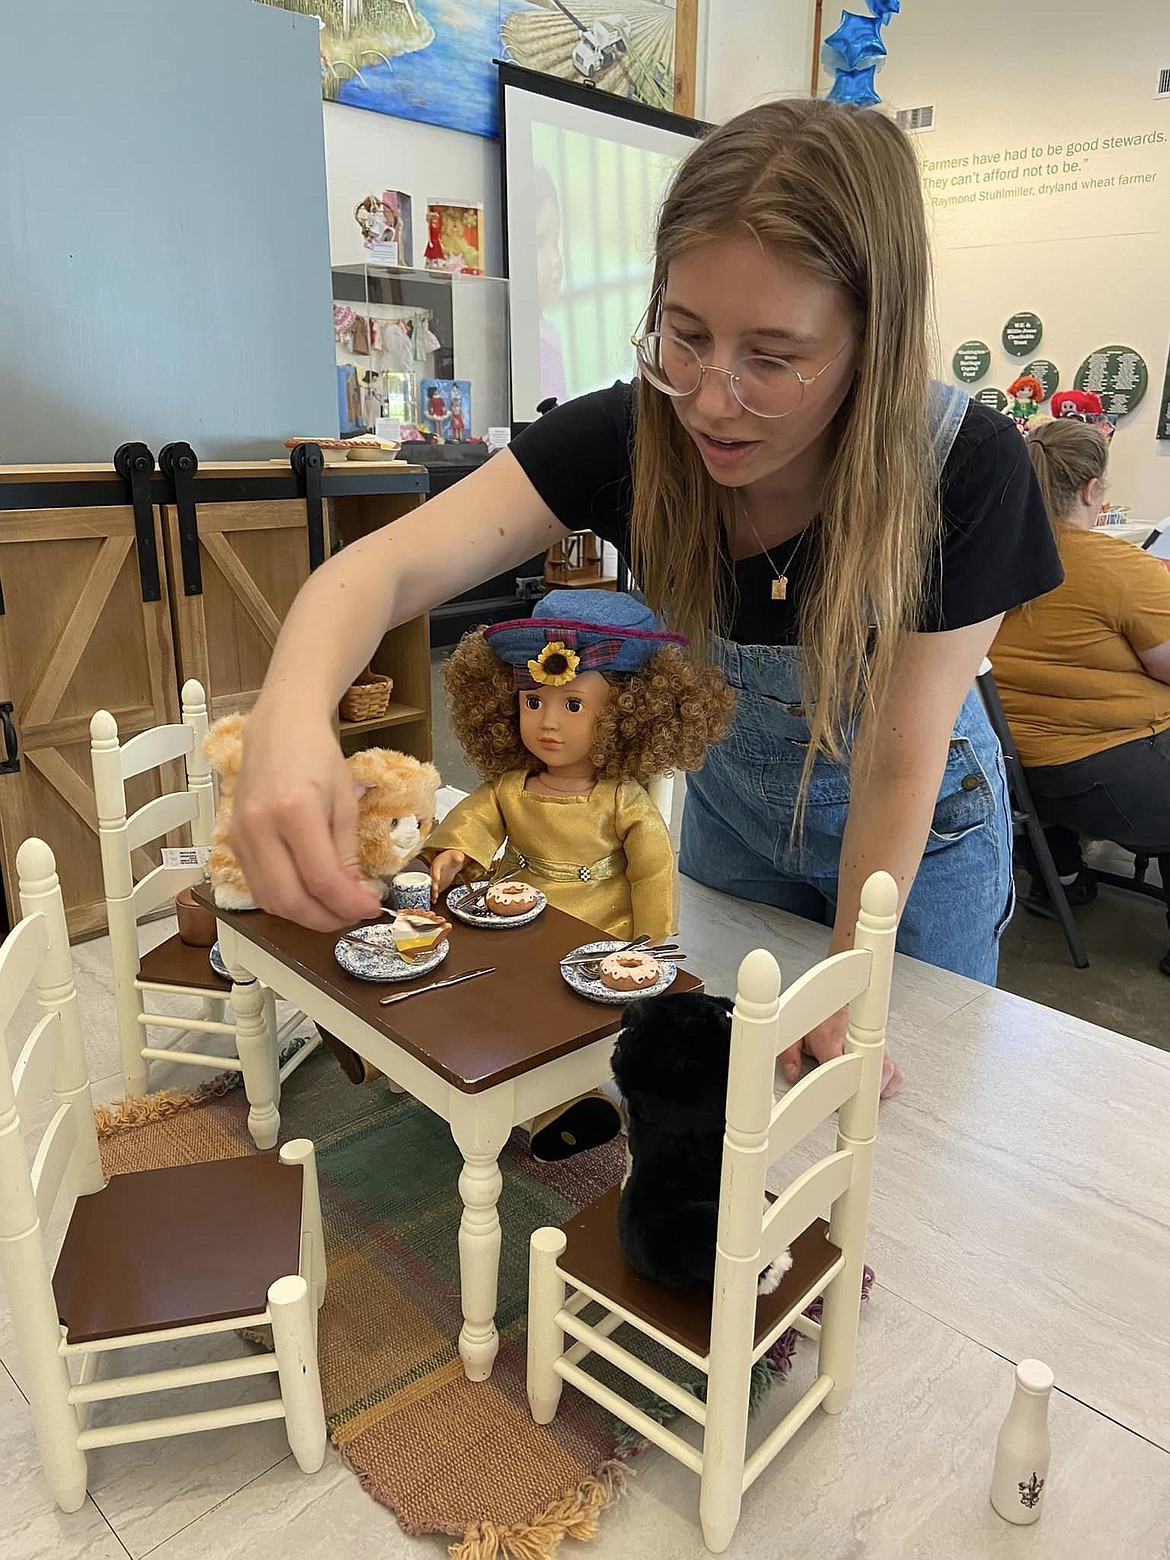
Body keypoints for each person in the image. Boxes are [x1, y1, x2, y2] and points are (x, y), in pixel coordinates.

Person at [230, 99, 1061, 1097]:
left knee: (883, 1120)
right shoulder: (631, 438)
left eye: (774, 357)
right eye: (685, 335)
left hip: (916, 844)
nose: (712, 400)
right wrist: (289, 716)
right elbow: (384, 570)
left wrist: (852, 973)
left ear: (870, 343)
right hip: (738, 820)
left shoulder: (963, 468)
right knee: (706, 1090)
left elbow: (896, 760)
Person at [990, 420, 1170, 971]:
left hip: (1013, 778)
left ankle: (1064, 878)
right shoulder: (1124, 569)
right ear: (1092, 489)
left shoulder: (985, 557)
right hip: (1113, 779)